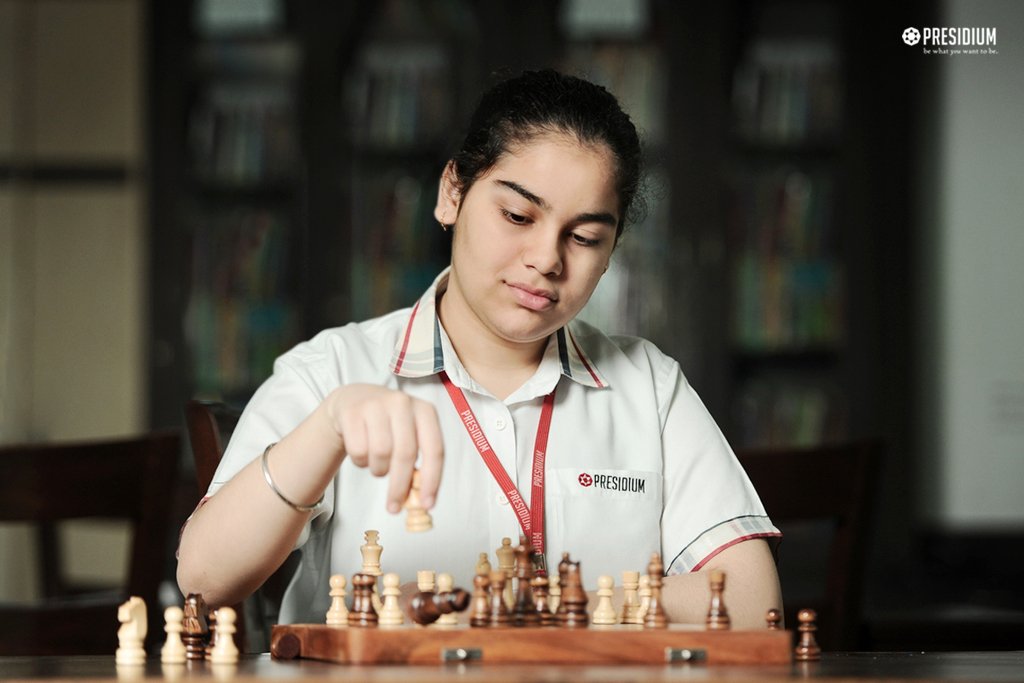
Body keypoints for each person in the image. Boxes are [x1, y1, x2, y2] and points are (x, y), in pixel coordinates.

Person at [177, 69, 782, 628]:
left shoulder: (647, 384)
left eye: (586, 236)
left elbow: (755, 606)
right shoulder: (332, 371)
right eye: (518, 216)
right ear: (452, 194)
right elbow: (203, 580)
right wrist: (330, 427)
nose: (547, 259)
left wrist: (548, 607)